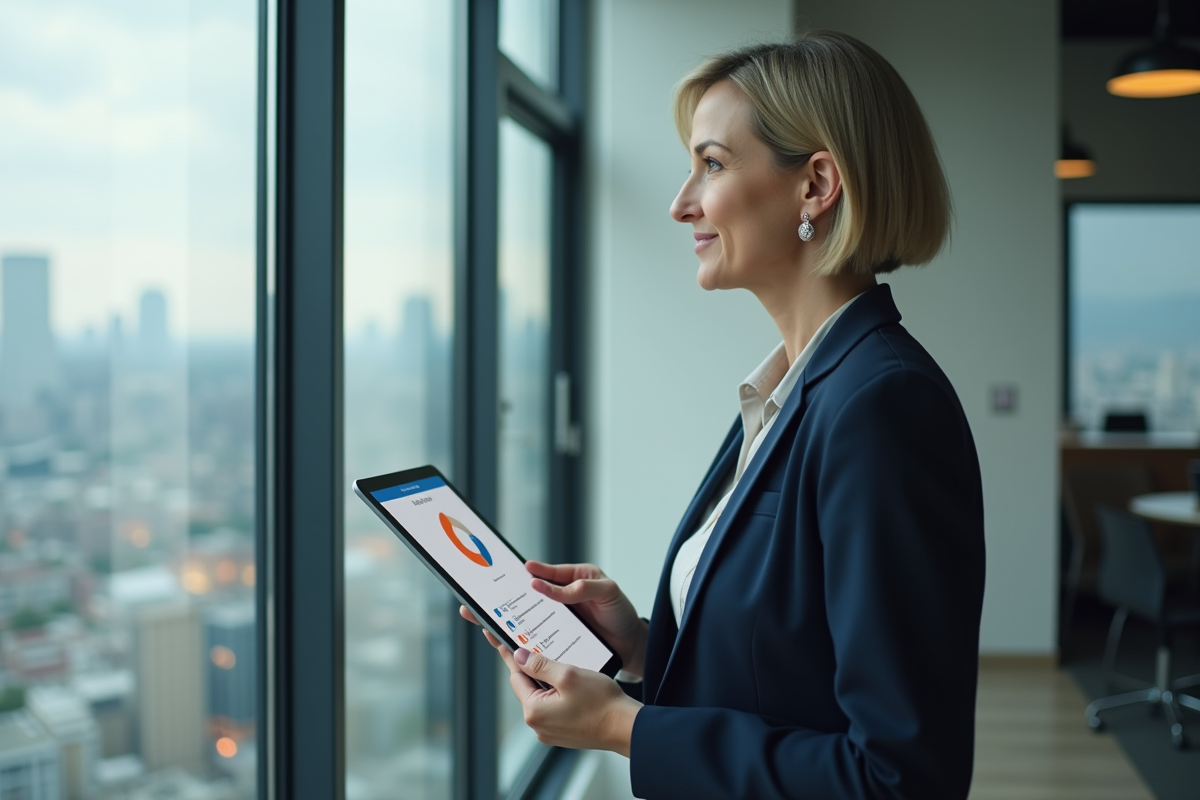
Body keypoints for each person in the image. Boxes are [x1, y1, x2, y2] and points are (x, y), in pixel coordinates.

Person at [462, 31, 985, 800]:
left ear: (816, 186)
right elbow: (793, 667)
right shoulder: (791, 395)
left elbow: (898, 779)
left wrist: (622, 727)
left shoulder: (881, 407)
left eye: (710, 163)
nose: (681, 204)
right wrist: (640, 646)